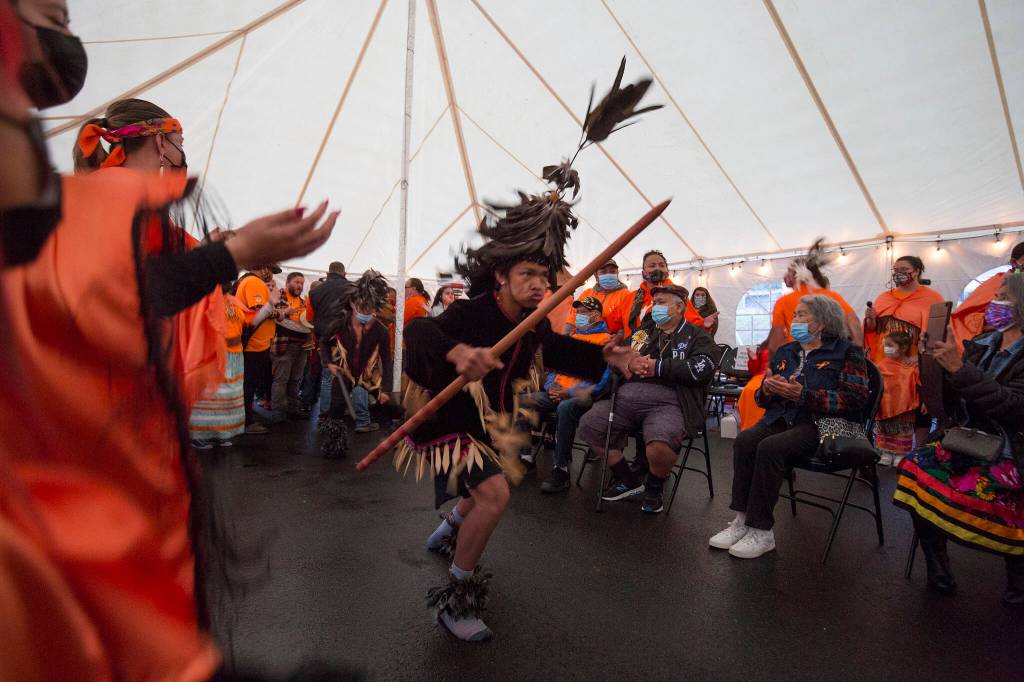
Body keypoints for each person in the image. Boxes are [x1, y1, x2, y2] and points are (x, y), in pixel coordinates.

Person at [0, 10, 340, 673]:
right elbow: (124, 290)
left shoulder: (128, 222)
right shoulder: (68, 212)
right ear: (159, 144)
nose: (184, 163)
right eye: (52, 14)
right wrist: (236, 252)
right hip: (67, 461)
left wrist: (233, 252)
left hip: (115, 447)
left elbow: (167, 273)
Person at [403, 137, 642, 640]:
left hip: (488, 419)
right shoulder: (473, 312)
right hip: (448, 417)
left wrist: (603, 354)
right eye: (528, 274)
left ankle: (448, 530)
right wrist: (457, 353)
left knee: (494, 479)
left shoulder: (530, 323)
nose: (539, 285)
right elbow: (419, 331)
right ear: (500, 276)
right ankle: (457, 597)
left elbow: (552, 350)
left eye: (546, 276)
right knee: (492, 495)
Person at [894, 273, 1024, 606]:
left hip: (1011, 451)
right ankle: (938, 568)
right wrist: (934, 364)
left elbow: (1012, 407)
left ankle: (1017, 575)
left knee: (1001, 493)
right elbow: (949, 404)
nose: (995, 303)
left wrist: (958, 368)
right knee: (913, 466)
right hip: (969, 439)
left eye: (1005, 297)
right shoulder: (983, 344)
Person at [710, 295, 870, 559]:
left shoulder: (846, 351)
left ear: (820, 322)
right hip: (782, 417)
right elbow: (763, 399)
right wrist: (767, 389)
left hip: (820, 424)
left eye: (801, 315)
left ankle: (762, 532)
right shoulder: (787, 351)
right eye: (795, 314)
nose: (793, 320)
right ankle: (742, 520)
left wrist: (803, 395)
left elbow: (856, 398)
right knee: (746, 440)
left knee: (771, 447)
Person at [579, 284, 718, 513]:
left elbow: (703, 368)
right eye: (655, 303)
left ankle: (654, 488)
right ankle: (629, 480)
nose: (656, 307)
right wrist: (626, 361)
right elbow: (618, 359)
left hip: (670, 403)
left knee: (659, 445)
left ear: (679, 306)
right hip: (624, 400)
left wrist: (659, 368)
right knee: (590, 425)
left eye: (662, 302)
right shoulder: (643, 332)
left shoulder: (697, 335)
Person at [525, 296, 613, 493]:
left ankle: (561, 469)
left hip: (582, 397)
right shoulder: (571, 337)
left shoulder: (606, 342)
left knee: (565, 408)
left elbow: (601, 382)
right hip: (558, 392)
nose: (578, 316)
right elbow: (552, 371)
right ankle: (524, 458)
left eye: (584, 313)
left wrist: (569, 393)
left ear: (596, 316)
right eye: (577, 312)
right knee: (523, 401)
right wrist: (551, 387)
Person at [320, 270, 393, 441]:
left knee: (389, 409)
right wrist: (328, 363)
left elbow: (386, 359)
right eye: (363, 308)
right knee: (336, 407)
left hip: (366, 376)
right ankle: (333, 442)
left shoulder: (381, 330)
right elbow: (324, 342)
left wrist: (386, 389)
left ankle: (363, 423)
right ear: (353, 304)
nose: (367, 313)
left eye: (371, 309)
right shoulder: (339, 324)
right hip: (343, 372)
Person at [767, 239, 862, 353]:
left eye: (789, 271)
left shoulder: (783, 301)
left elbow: (776, 340)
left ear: (797, 274)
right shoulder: (831, 296)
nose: (785, 275)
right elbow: (854, 321)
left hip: (798, 355)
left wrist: (775, 360)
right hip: (830, 355)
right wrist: (858, 349)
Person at [951, 241, 1024, 348]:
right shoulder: (999, 281)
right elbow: (964, 316)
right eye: (1001, 297)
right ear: (1014, 262)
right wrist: (1002, 321)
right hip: (992, 344)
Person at [619, 249, 707, 337]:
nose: (657, 268)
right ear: (643, 273)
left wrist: (705, 325)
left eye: (661, 265)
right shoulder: (630, 298)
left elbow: (694, 324)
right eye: (652, 265)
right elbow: (618, 326)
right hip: (630, 348)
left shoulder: (677, 294)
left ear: (667, 271)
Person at [236, 265, 281, 434]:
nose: (271, 274)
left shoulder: (249, 281)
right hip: (254, 344)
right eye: (270, 268)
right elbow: (257, 312)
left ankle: (245, 417)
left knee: (249, 384)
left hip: (256, 343)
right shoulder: (254, 282)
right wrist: (277, 310)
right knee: (249, 384)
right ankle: (246, 422)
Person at [307, 261, 354, 419]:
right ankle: (341, 412)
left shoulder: (315, 291)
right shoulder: (351, 287)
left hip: (323, 337)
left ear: (328, 273)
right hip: (345, 336)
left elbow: (312, 316)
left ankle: (325, 413)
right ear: (343, 273)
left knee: (327, 376)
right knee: (349, 375)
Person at [874, 331, 921, 466]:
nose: (886, 348)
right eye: (885, 345)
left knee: (902, 429)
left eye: (890, 345)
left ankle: (900, 455)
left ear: (904, 347)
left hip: (904, 406)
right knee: (885, 429)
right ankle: (886, 453)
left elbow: (919, 384)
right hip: (885, 405)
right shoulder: (881, 365)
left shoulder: (911, 367)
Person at [270, 271, 311, 420]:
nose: (300, 285)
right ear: (287, 283)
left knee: (296, 379)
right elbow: (271, 314)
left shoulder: (303, 302)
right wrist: (285, 311)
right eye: (297, 282)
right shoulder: (278, 296)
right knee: (281, 379)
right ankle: (278, 412)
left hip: (301, 346)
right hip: (284, 344)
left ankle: (292, 408)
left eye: (301, 283)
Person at [562, 258, 632, 334]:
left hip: (610, 342)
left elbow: (629, 322)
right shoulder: (587, 293)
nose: (608, 274)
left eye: (612, 272)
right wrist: (566, 335)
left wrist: (619, 337)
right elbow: (573, 316)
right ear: (596, 274)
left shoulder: (626, 295)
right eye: (603, 272)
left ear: (617, 273)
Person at [736, 339, 770, 429]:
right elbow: (753, 370)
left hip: (774, 376)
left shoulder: (788, 347)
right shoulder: (764, 346)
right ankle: (747, 427)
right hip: (759, 377)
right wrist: (753, 360)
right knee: (749, 390)